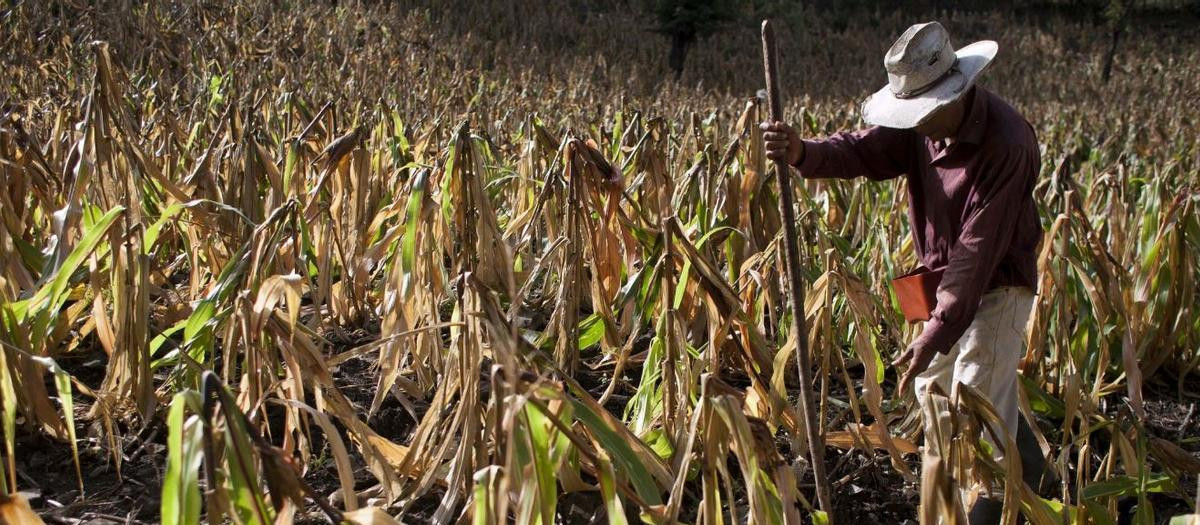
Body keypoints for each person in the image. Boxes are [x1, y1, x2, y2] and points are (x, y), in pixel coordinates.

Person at [761, 21, 1052, 524]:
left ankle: (990, 509)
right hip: (942, 282)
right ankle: (1024, 475)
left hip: (999, 283)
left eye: (923, 112)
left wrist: (935, 331)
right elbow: (864, 150)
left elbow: (977, 252)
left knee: (976, 396)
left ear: (955, 92)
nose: (916, 124)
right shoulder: (923, 127)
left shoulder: (1008, 144)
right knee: (933, 392)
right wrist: (803, 152)